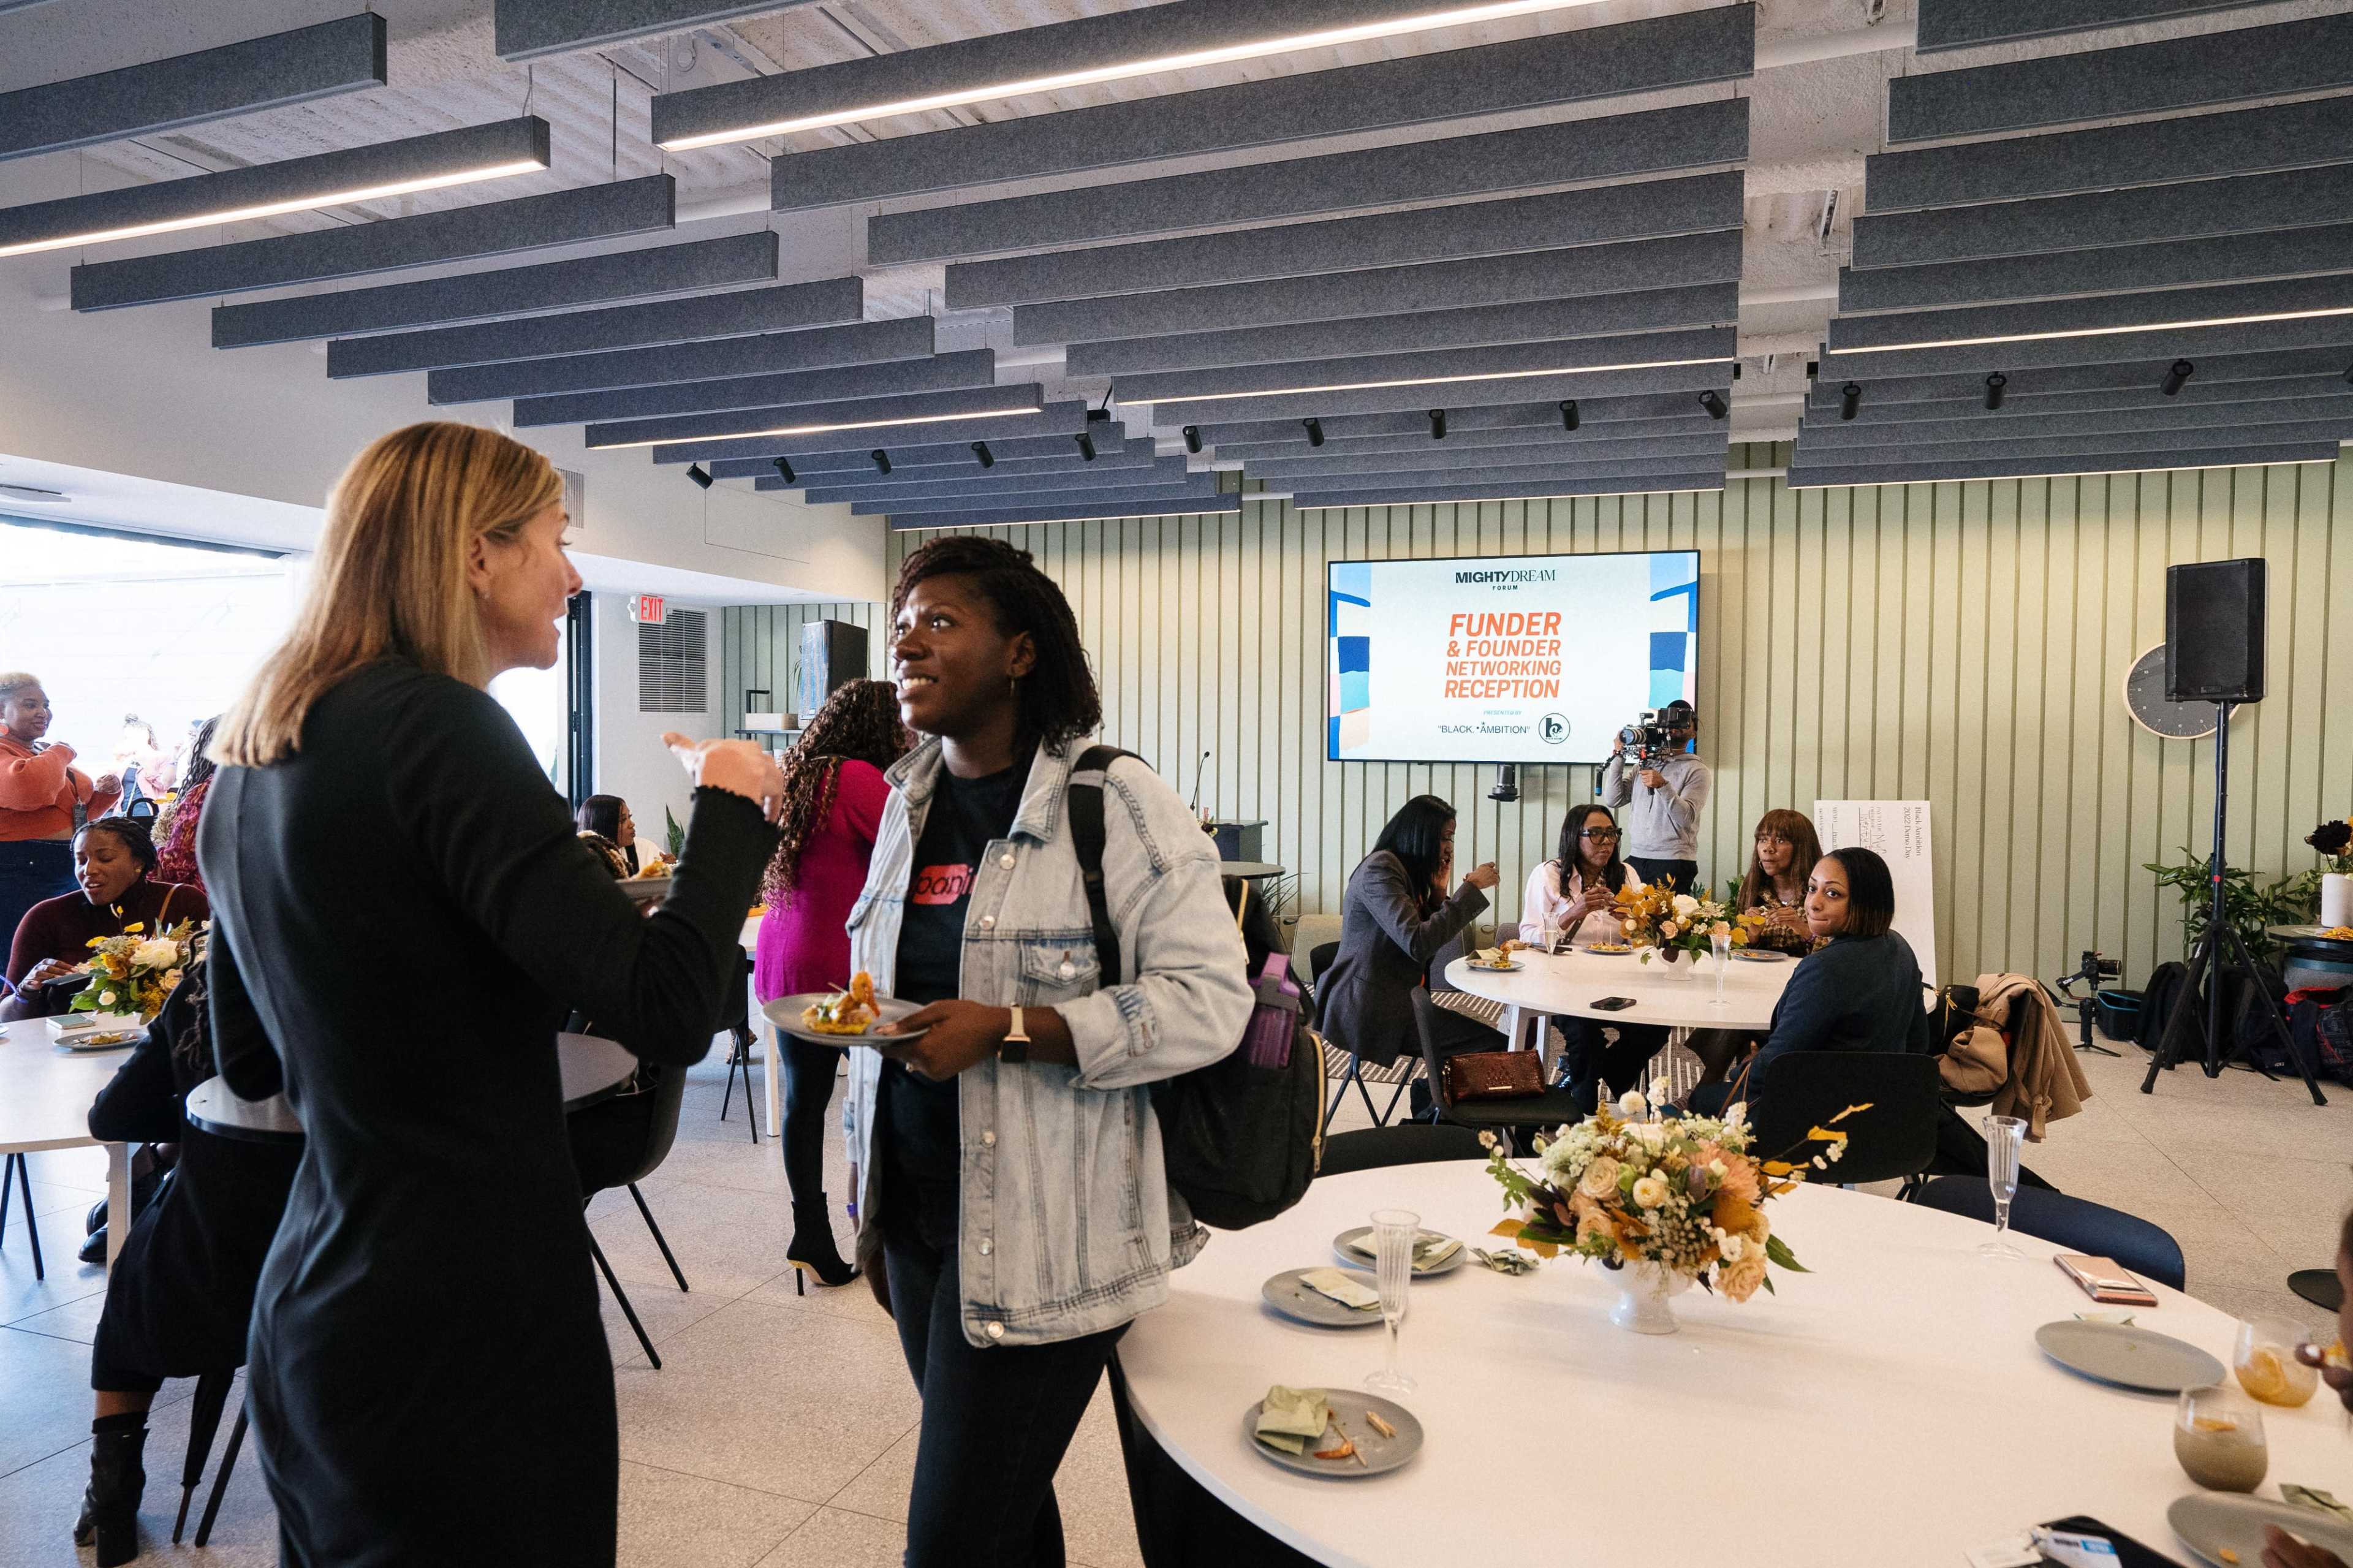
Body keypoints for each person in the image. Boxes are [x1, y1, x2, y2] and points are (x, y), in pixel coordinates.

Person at [197, 421, 783, 1568]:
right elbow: (668, 1010)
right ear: (477, 553)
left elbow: (252, 1056)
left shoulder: (252, 755)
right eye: (557, 541)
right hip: (462, 1315)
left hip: (318, 1295)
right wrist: (731, 806)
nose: (573, 575)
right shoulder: (441, 728)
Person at [844, 534, 1251, 1568]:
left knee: (950, 1543)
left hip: (1047, 1235)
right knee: (1006, 1517)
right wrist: (870, 1198)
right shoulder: (907, 802)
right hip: (917, 1223)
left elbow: (1211, 1001)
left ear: (1021, 653)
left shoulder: (1111, 802)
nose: (910, 643)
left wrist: (1018, 1026)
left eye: (941, 621)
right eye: (902, 624)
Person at [71, 947, 301, 1568]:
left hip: (216, 1257)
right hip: (350, 1247)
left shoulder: (214, 975)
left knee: (130, 1294)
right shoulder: (405, 957)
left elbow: (113, 1115)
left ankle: (113, 1496)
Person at [753, 678, 906, 1290]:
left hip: (783, 958)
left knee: (804, 1102)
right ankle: (883, 1233)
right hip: (836, 967)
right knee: (881, 1098)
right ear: (882, 729)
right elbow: (907, 858)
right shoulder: (861, 781)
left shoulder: (797, 775)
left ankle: (809, 1232)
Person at [1686, 846, 1929, 1118]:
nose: (1813, 903)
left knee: (1689, 1102)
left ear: (1866, 902)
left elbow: (1777, 1063)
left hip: (1811, 1117)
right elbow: (1919, 1043)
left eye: (1833, 893)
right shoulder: (1900, 947)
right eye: (1813, 889)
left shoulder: (1825, 967)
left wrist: (1739, 1073)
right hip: (1888, 1112)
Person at [1317, 795, 1501, 1113]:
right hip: (1372, 1009)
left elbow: (1418, 949)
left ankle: (1429, 1101)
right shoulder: (1381, 870)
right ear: (1421, 835)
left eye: (1451, 838)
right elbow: (1417, 943)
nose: (1449, 847)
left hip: (1398, 1000)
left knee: (1494, 1042)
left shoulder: (1404, 873)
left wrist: (1439, 895)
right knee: (1497, 1046)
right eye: (1444, 837)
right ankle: (1436, 1113)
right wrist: (1468, 891)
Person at [1521, 803, 1669, 1112]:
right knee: (1583, 1035)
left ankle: (1601, 1074)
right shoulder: (1549, 874)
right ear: (1574, 837)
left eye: (1612, 834)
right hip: (1565, 981)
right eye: (1596, 834)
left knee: (1656, 1026)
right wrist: (1574, 912)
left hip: (1620, 981)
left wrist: (1632, 916)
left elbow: (1645, 937)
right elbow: (1528, 935)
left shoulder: (1626, 874)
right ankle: (1582, 1105)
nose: (1606, 842)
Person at [3, 819, 207, 1021]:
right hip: (68, 1047)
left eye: (106, 859)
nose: (89, 870)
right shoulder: (47, 916)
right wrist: (26, 991)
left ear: (139, 862)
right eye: (81, 861)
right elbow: (4, 1017)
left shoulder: (183, 902)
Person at [1687, 808, 1826, 1084]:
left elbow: (1839, 955)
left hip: (1805, 992)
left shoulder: (1819, 893)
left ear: (1802, 848)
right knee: (1733, 1005)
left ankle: (1707, 1091)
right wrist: (1750, 936)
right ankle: (1724, 1090)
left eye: (1780, 841)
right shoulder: (1754, 889)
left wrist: (1806, 930)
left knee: (1737, 1016)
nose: (1768, 849)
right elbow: (1737, 953)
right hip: (1761, 986)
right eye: (1762, 839)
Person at [0, 672, 122, 949]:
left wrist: (105, 795)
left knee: (65, 953)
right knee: (25, 957)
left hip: (63, 864)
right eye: (30, 705)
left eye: (45, 705)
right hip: (20, 868)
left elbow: (73, 815)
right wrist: (61, 751)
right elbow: (30, 791)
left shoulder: (38, 752)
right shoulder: (25, 752)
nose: (43, 712)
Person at [1601, 697, 1711, 893]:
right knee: (1629, 920)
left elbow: (1686, 818)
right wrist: (1619, 756)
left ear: (1693, 732)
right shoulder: (1644, 764)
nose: (1675, 726)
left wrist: (1663, 786)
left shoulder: (1697, 770)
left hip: (1674, 860)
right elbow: (1614, 799)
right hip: (1637, 856)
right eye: (1669, 720)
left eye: (1683, 722)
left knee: (1665, 923)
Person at [151, 716, 220, 894]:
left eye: (195, 740)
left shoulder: (206, 794)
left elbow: (176, 866)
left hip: (206, 902)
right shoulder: (268, 790)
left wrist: (156, 845)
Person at [575, 793, 642, 876]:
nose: (632, 824)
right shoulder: (587, 866)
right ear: (603, 825)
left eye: (629, 817)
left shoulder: (645, 847)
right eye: (623, 820)